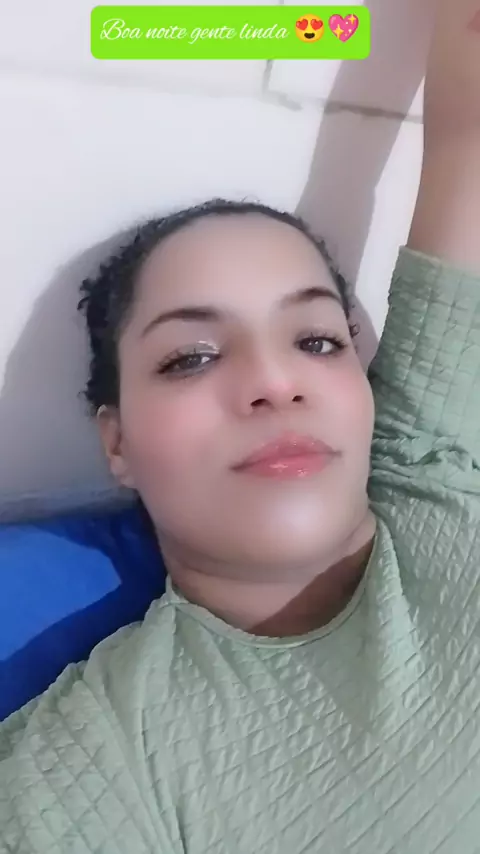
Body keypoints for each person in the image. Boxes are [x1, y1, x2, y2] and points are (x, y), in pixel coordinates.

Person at [1, 1, 480, 850]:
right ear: (117, 441)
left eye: (318, 340)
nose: (274, 382)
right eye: (191, 357)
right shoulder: (98, 765)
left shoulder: (432, 470)